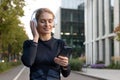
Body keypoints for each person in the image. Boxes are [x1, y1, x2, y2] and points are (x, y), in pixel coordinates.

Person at [21, 8, 71, 80]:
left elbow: (66, 74)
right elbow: (28, 62)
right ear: (35, 23)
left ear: (54, 23)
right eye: (42, 21)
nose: (47, 24)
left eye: (50, 21)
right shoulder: (29, 44)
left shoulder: (60, 44)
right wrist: (35, 37)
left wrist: (65, 65)